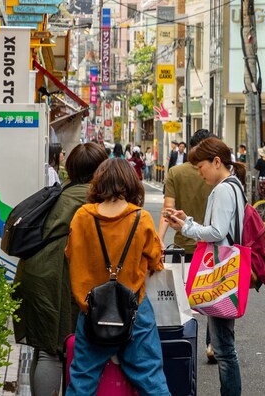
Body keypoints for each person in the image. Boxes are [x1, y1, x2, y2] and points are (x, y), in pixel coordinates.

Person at [64, 158, 167, 395]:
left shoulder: (82, 216)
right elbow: (155, 261)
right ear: (131, 183)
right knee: (151, 380)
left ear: (98, 183)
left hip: (93, 310)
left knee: (82, 381)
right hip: (134, 311)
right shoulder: (141, 218)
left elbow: (71, 254)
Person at [14, 143, 108, 396]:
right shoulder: (91, 200)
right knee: (54, 349)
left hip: (34, 271)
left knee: (43, 347)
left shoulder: (63, 192)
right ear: (101, 170)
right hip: (55, 276)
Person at [165, 137, 247, 396]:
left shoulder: (223, 189)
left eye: (201, 167)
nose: (199, 173)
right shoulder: (235, 186)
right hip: (229, 270)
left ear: (216, 161)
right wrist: (187, 220)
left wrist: (186, 227)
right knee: (225, 347)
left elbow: (217, 231)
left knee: (224, 350)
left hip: (221, 273)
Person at [158, 130, 218, 362]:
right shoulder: (217, 174)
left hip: (184, 248)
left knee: (182, 302)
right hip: (212, 248)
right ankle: (212, 344)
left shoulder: (176, 172)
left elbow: (168, 210)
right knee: (213, 299)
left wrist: (159, 239)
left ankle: (183, 343)